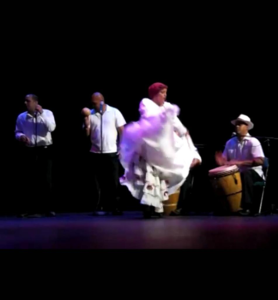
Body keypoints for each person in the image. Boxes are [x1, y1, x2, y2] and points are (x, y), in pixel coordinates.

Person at [119, 82, 197, 218]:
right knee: (149, 178)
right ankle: (147, 209)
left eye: (166, 93)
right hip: (149, 148)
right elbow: (151, 119)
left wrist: (185, 135)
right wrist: (165, 117)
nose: (165, 96)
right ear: (154, 94)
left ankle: (157, 209)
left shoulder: (167, 107)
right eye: (162, 93)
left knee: (160, 179)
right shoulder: (146, 103)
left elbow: (179, 126)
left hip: (161, 151)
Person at [82, 92, 126, 215]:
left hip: (111, 153)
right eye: (92, 103)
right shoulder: (90, 114)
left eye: (94, 103)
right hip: (95, 153)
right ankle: (98, 206)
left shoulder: (114, 112)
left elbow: (122, 130)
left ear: (101, 102)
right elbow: (86, 134)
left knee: (113, 181)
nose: (92, 105)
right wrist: (86, 125)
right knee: (96, 182)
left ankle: (116, 206)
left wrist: (121, 147)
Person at [15, 94, 56, 218]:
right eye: (25, 101)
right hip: (29, 150)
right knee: (29, 180)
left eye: (28, 101)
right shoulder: (21, 117)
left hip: (45, 150)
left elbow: (52, 128)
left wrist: (42, 114)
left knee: (46, 180)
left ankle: (48, 209)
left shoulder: (48, 113)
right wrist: (20, 137)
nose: (25, 103)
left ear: (35, 103)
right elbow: (17, 132)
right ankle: (28, 209)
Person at [215, 114, 265, 216]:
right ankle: (224, 206)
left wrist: (239, 163)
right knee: (218, 176)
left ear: (246, 126)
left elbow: (260, 161)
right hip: (237, 173)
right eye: (236, 124)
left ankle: (247, 207)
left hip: (254, 174)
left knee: (246, 173)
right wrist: (222, 161)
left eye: (240, 124)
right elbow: (225, 160)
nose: (237, 126)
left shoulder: (253, 141)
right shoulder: (230, 142)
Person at [170, 147, 202, 216]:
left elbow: (197, 158)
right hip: (170, 169)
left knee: (186, 176)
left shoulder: (187, 144)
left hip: (183, 170)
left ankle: (180, 207)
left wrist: (196, 160)